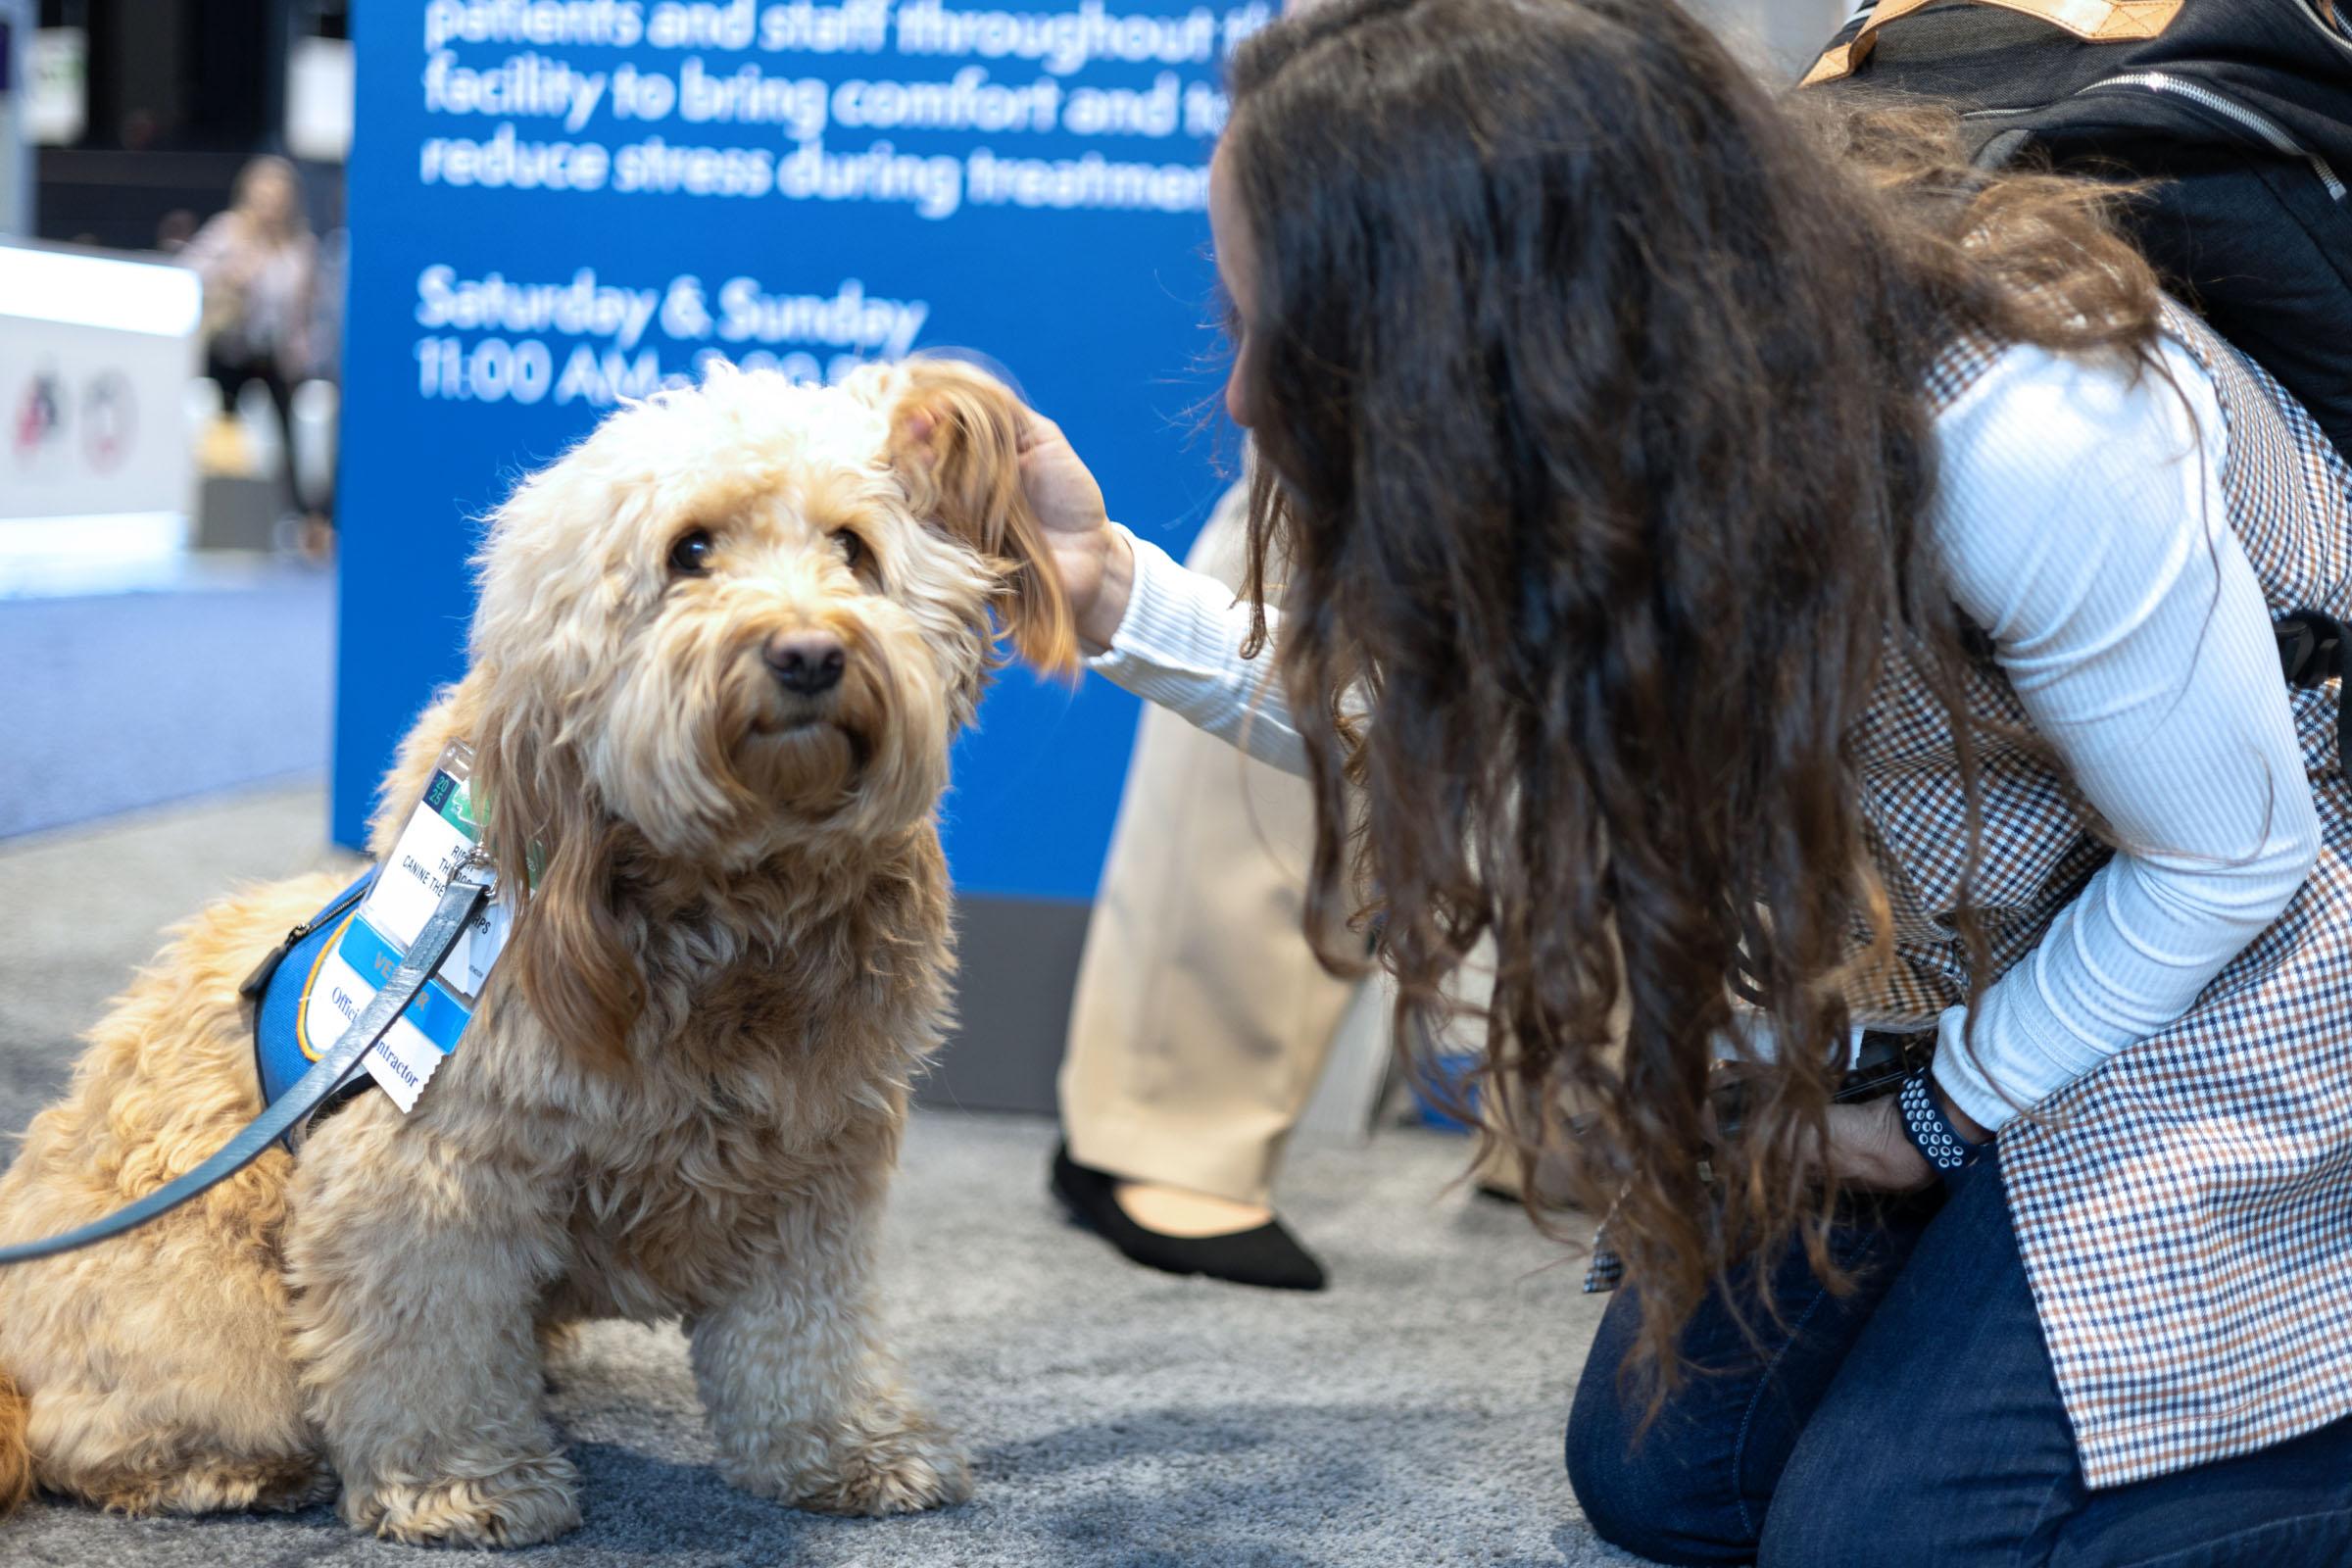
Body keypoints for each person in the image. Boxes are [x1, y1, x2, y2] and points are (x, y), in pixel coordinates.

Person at [1007, 0, 2352, 1562]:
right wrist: (1108, 591)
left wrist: (1936, 1117)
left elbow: (2228, 863)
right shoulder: (1623, 410)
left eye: (1289, 336)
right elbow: (1461, 734)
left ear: (1492, 324)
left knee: (1888, 1546)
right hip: (1989, 940)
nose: (1245, 398)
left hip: (2259, 930)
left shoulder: (2029, 426)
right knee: (1665, 1480)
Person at [182, 156, 321, 541]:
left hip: (275, 355)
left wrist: (303, 351)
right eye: (264, 194)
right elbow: (189, 269)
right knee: (223, 434)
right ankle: (216, 520)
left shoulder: (299, 245)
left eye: (278, 196)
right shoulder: (228, 232)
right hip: (231, 350)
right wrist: (229, 276)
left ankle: (300, 521)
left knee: (289, 439)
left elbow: (305, 308)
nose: (271, 204)